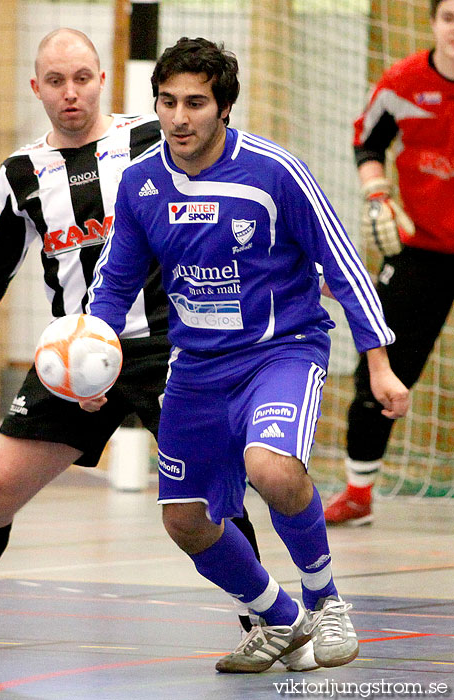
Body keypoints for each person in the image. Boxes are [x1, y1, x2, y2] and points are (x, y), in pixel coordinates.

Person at [0, 28, 274, 663]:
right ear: (36, 88)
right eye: (56, 82)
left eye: (83, 78)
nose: (71, 94)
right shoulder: (20, 176)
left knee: (203, 495)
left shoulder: (153, 140)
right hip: (75, 352)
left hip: (171, 344)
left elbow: (232, 204)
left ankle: (265, 623)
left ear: (102, 80)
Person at [83, 37, 410, 673]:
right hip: (197, 368)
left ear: (223, 108)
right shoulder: (141, 183)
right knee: (184, 520)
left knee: (273, 468)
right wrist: (90, 356)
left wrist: (379, 361)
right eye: (168, 101)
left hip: (280, 352)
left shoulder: (275, 172)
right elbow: (116, 282)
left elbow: (341, 266)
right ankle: (281, 618)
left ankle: (325, 601)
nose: (179, 117)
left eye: (196, 103)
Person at [324, 0, 454, 526]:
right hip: (420, 250)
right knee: (381, 367)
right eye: (449, 17)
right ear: (433, 23)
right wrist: (376, 194)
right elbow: (368, 142)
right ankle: (359, 494)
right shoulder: (403, 83)